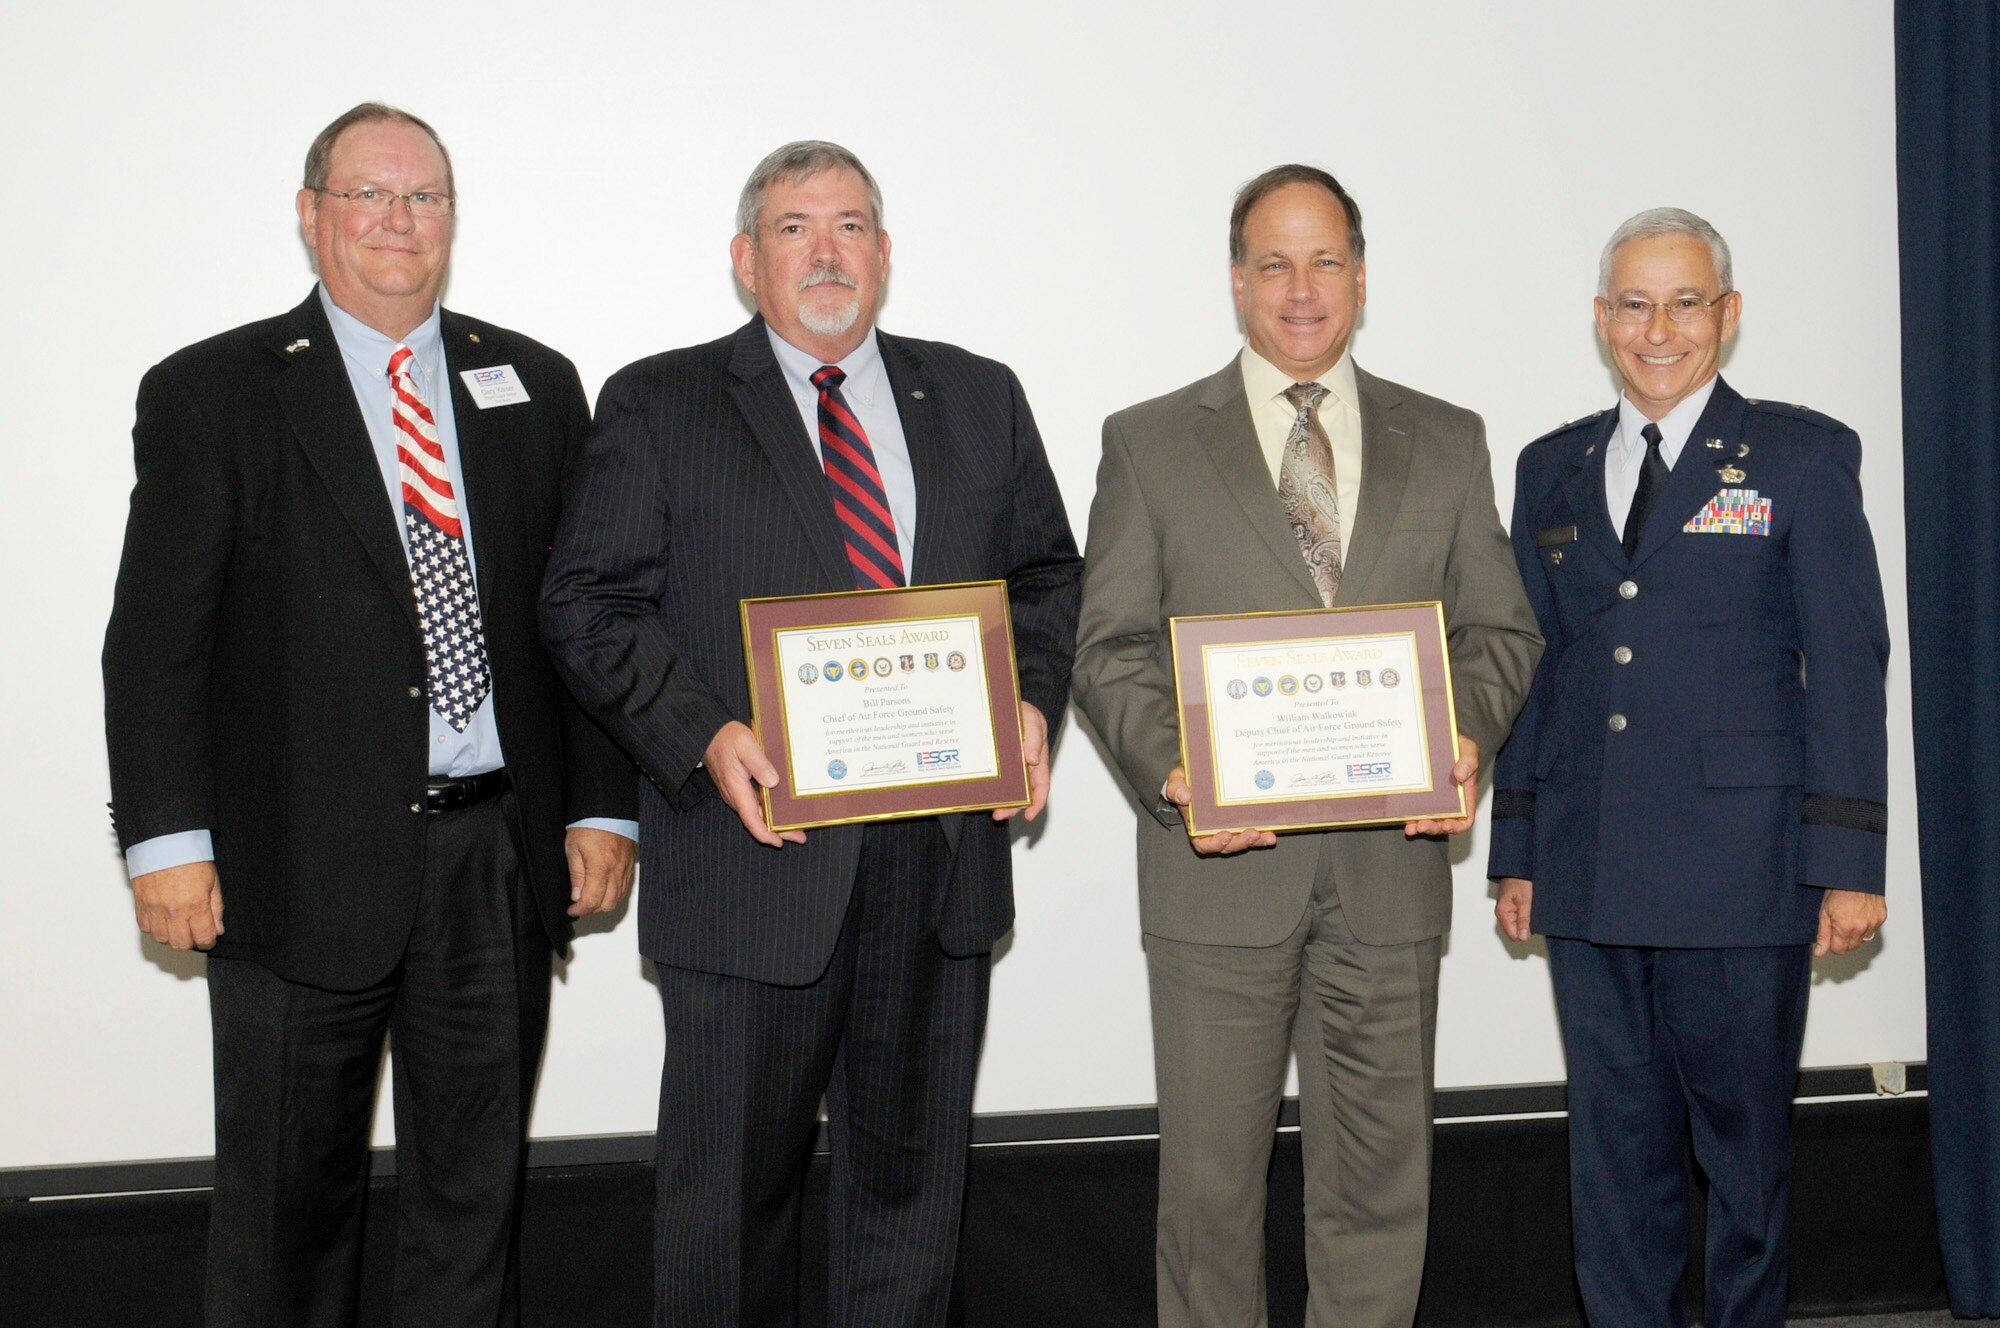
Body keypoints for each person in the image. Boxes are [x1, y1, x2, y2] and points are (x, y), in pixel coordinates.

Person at [101, 102, 637, 1328]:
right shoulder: (212, 391)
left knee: (473, 1203)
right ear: (311, 214)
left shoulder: (537, 384)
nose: (400, 222)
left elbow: (579, 617)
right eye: (368, 196)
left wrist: (603, 802)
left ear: (452, 218)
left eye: (425, 197)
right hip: (293, 863)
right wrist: (168, 841)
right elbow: (155, 640)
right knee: (289, 1210)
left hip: (493, 858)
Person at [539, 140, 1082, 1327]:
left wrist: (1030, 700)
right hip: (751, 863)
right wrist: (702, 733)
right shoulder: (660, 399)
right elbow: (584, 601)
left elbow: (1045, 573)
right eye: (794, 228)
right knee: (725, 1213)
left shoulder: (978, 394)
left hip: (935, 868)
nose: (825, 252)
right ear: (746, 259)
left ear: (885, 255)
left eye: (850, 226)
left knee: (907, 1204)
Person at [1071, 164, 1541, 1328]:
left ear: (1360, 276)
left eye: (1323, 259)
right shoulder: (1146, 443)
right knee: (1210, 1196)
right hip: (1216, 876)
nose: (1299, 288)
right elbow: (1108, 646)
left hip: (1387, 878)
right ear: (1236, 280)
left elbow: (1499, 629)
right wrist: (1176, 768)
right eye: (1272, 262)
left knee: (1379, 1190)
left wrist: (1463, 737)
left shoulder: (1443, 436)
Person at [1487, 206, 1889, 1328]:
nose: (1655, 328)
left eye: (1682, 301)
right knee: (1613, 1163)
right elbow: (1537, 667)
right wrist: (1514, 847)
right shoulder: (1549, 465)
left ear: (1727, 312)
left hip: (1741, 871)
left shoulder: (1800, 456)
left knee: (1744, 1163)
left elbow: (1849, 661)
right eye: (1631, 302)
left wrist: (1847, 859)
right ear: (1599, 318)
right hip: (1590, 862)